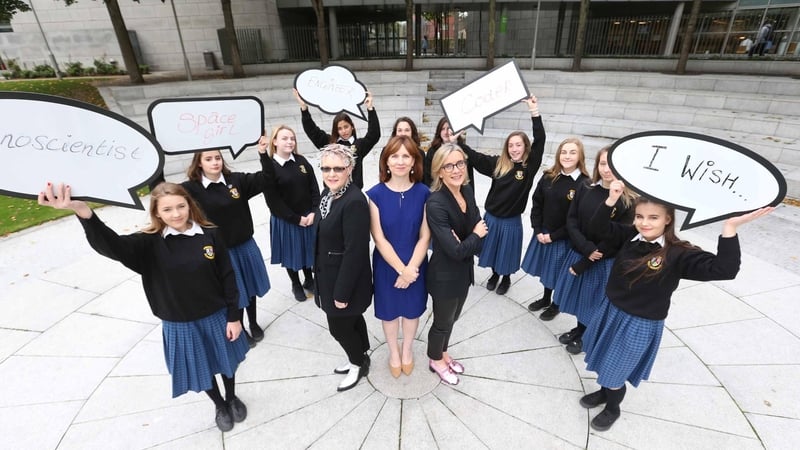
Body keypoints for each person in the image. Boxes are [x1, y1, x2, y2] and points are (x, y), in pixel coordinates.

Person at [37, 182, 250, 432]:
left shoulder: (210, 234)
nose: (176, 214)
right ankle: (219, 405)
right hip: (180, 323)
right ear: (157, 212)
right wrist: (83, 211)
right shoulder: (148, 244)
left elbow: (228, 276)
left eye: (181, 206)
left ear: (190, 205)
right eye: (167, 209)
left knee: (226, 361)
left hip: (216, 316)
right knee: (201, 367)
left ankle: (231, 396)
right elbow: (111, 246)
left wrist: (234, 316)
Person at [579, 180, 773, 431]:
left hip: (639, 323)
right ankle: (604, 392)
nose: (644, 223)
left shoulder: (678, 253)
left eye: (653, 217)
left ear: (667, 220)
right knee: (604, 358)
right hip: (611, 311)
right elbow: (595, 227)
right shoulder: (628, 236)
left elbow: (724, 269)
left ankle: (612, 407)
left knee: (616, 370)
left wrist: (730, 227)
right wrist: (611, 199)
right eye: (639, 216)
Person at [544, 147, 636, 356]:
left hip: (601, 260)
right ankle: (579, 329)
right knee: (579, 298)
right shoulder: (586, 187)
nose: (607, 170)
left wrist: (589, 258)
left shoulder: (628, 201)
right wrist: (585, 247)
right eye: (603, 164)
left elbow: (616, 238)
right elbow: (572, 219)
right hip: (581, 250)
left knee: (592, 301)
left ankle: (586, 336)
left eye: (613, 165)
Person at [182, 149, 272, 347]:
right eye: (208, 159)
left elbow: (267, 178)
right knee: (235, 291)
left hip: (245, 245)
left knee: (250, 287)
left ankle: (253, 322)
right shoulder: (191, 189)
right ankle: (239, 327)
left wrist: (263, 154)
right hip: (221, 252)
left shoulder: (236, 180)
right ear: (199, 163)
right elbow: (166, 195)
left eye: (217, 158)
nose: (215, 162)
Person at [460, 95, 546, 296]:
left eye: (518, 145)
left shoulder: (529, 167)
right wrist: (459, 142)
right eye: (511, 145)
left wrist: (534, 112)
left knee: (506, 253)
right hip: (491, 218)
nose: (514, 149)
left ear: (525, 147)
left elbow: (540, 140)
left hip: (510, 221)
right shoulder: (499, 164)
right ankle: (494, 274)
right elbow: (476, 158)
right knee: (491, 250)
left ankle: (505, 277)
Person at [367, 135, 431, 378]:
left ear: (414, 161)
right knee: (390, 312)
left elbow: (425, 236)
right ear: (386, 161)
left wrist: (411, 269)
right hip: (387, 265)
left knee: (412, 311)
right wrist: (402, 270)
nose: (400, 161)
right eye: (394, 156)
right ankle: (394, 352)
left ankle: (407, 350)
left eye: (406, 156)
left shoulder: (424, 193)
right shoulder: (375, 195)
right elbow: (379, 238)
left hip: (416, 263)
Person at [426, 143, 488, 385]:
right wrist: (474, 236)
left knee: (452, 319)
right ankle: (435, 359)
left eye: (460, 163)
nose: (456, 170)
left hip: (463, 272)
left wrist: (470, 239)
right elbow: (456, 249)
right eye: (449, 166)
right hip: (444, 276)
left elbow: (481, 229)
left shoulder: (467, 191)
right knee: (442, 323)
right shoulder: (435, 203)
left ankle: (443, 353)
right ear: (439, 172)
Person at [314, 144, 373, 392]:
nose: (331, 174)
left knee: (338, 328)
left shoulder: (354, 201)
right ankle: (362, 355)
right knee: (351, 321)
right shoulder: (328, 194)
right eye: (326, 168)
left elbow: (355, 251)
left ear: (349, 169)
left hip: (344, 281)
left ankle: (357, 363)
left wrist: (341, 292)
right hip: (329, 274)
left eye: (338, 168)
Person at [522, 138, 590, 314]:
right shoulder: (549, 177)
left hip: (563, 238)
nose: (567, 156)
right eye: (564, 152)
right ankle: (546, 298)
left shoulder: (584, 184)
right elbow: (537, 203)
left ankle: (556, 304)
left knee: (559, 273)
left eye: (572, 152)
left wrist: (553, 236)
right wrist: (537, 229)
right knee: (547, 270)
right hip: (543, 233)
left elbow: (578, 219)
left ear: (580, 156)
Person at [262, 126, 320, 302]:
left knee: (308, 250)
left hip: (308, 216)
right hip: (287, 219)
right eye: (285, 138)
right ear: (274, 142)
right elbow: (273, 202)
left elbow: (314, 187)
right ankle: (295, 283)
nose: (290, 142)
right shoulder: (270, 167)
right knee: (291, 254)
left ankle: (309, 279)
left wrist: (314, 211)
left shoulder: (301, 161)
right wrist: (295, 219)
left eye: (292, 138)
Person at [295, 88, 380, 189]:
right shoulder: (329, 143)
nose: (343, 131)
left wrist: (370, 108)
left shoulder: (359, 145)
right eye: (339, 128)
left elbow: (374, 134)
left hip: (353, 192)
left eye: (346, 127)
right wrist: (304, 108)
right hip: (332, 192)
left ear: (352, 127)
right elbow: (312, 131)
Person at [423, 117, 475, 189]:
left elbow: (468, 175)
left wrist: (454, 143)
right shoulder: (432, 151)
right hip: (439, 190)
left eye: (448, 129)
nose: (446, 132)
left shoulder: (464, 149)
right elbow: (428, 176)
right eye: (442, 129)